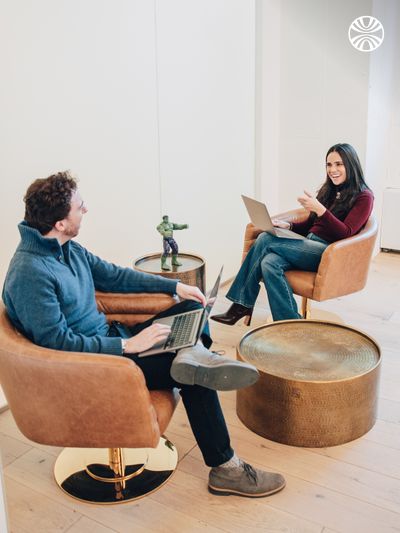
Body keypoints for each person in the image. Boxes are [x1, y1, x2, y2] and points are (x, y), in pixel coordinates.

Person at [2, 171, 286, 498]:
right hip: (98, 367)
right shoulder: (30, 273)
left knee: (193, 312)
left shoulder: (67, 249)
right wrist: (125, 345)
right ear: (61, 223)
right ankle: (227, 469)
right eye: (80, 207)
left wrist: (176, 286)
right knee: (196, 376)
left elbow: (116, 276)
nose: (86, 209)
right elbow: (58, 344)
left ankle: (194, 353)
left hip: (116, 342)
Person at [211, 143, 374, 324]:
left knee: (265, 239)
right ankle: (289, 324)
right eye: (329, 165)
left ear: (351, 165)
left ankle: (241, 304)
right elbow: (311, 226)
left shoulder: (364, 197)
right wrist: (288, 226)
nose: (332, 170)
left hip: (329, 252)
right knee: (269, 262)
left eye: (339, 164)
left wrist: (321, 210)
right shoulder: (328, 190)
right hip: (308, 244)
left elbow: (346, 233)